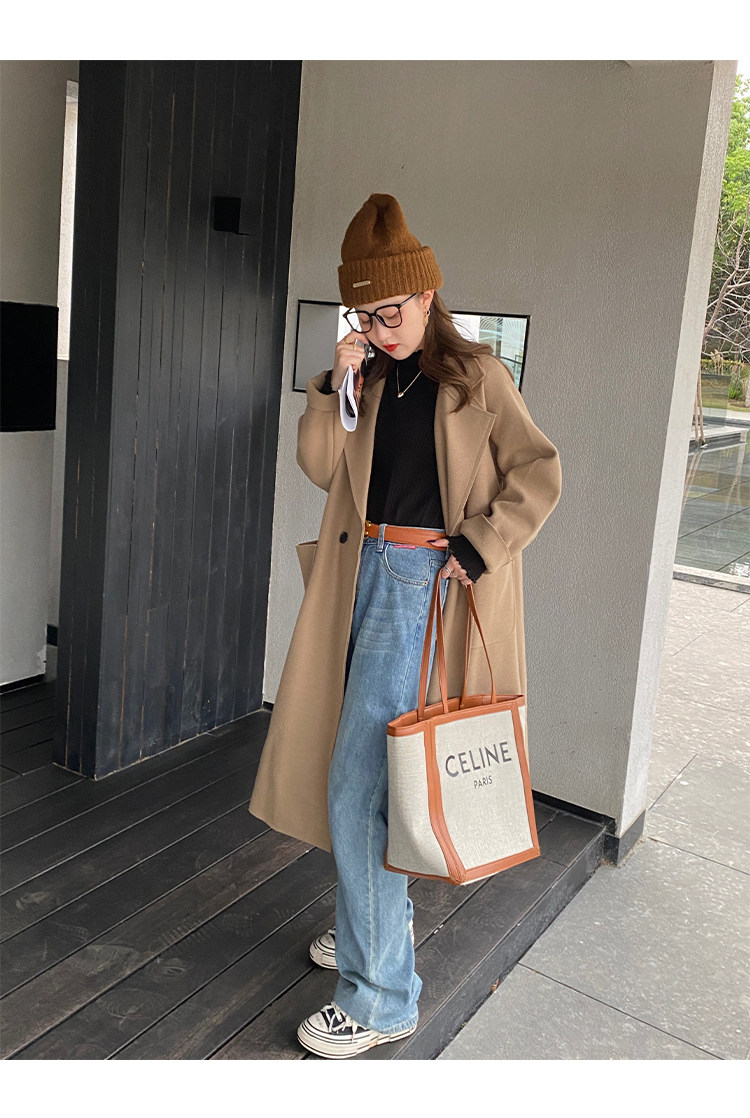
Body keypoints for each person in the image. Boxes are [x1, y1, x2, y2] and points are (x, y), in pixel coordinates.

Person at [248, 193, 562, 1059]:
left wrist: (482, 544)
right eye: (365, 314)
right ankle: (373, 928)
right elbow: (323, 469)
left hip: (419, 583)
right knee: (364, 771)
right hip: (357, 576)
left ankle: (382, 995)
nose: (379, 327)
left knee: (360, 786)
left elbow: (539, 471)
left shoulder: (478, 377)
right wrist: (334, 383)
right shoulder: (372, 381)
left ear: (427, 295)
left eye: (391, 311)